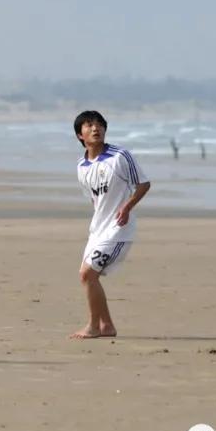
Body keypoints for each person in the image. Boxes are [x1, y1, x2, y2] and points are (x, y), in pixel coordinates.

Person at [69, 110, 152, 340]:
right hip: (98, 230)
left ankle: (93, 326)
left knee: (88, 274)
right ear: (80, 135)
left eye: (99, 125)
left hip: (119, 229)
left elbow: (143, 184)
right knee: (86, 276)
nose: (96, 128)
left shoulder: (121, 156)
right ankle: (107, 326)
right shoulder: (81, 166)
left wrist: (127, 207)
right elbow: (95, 199)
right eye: (89, 125)